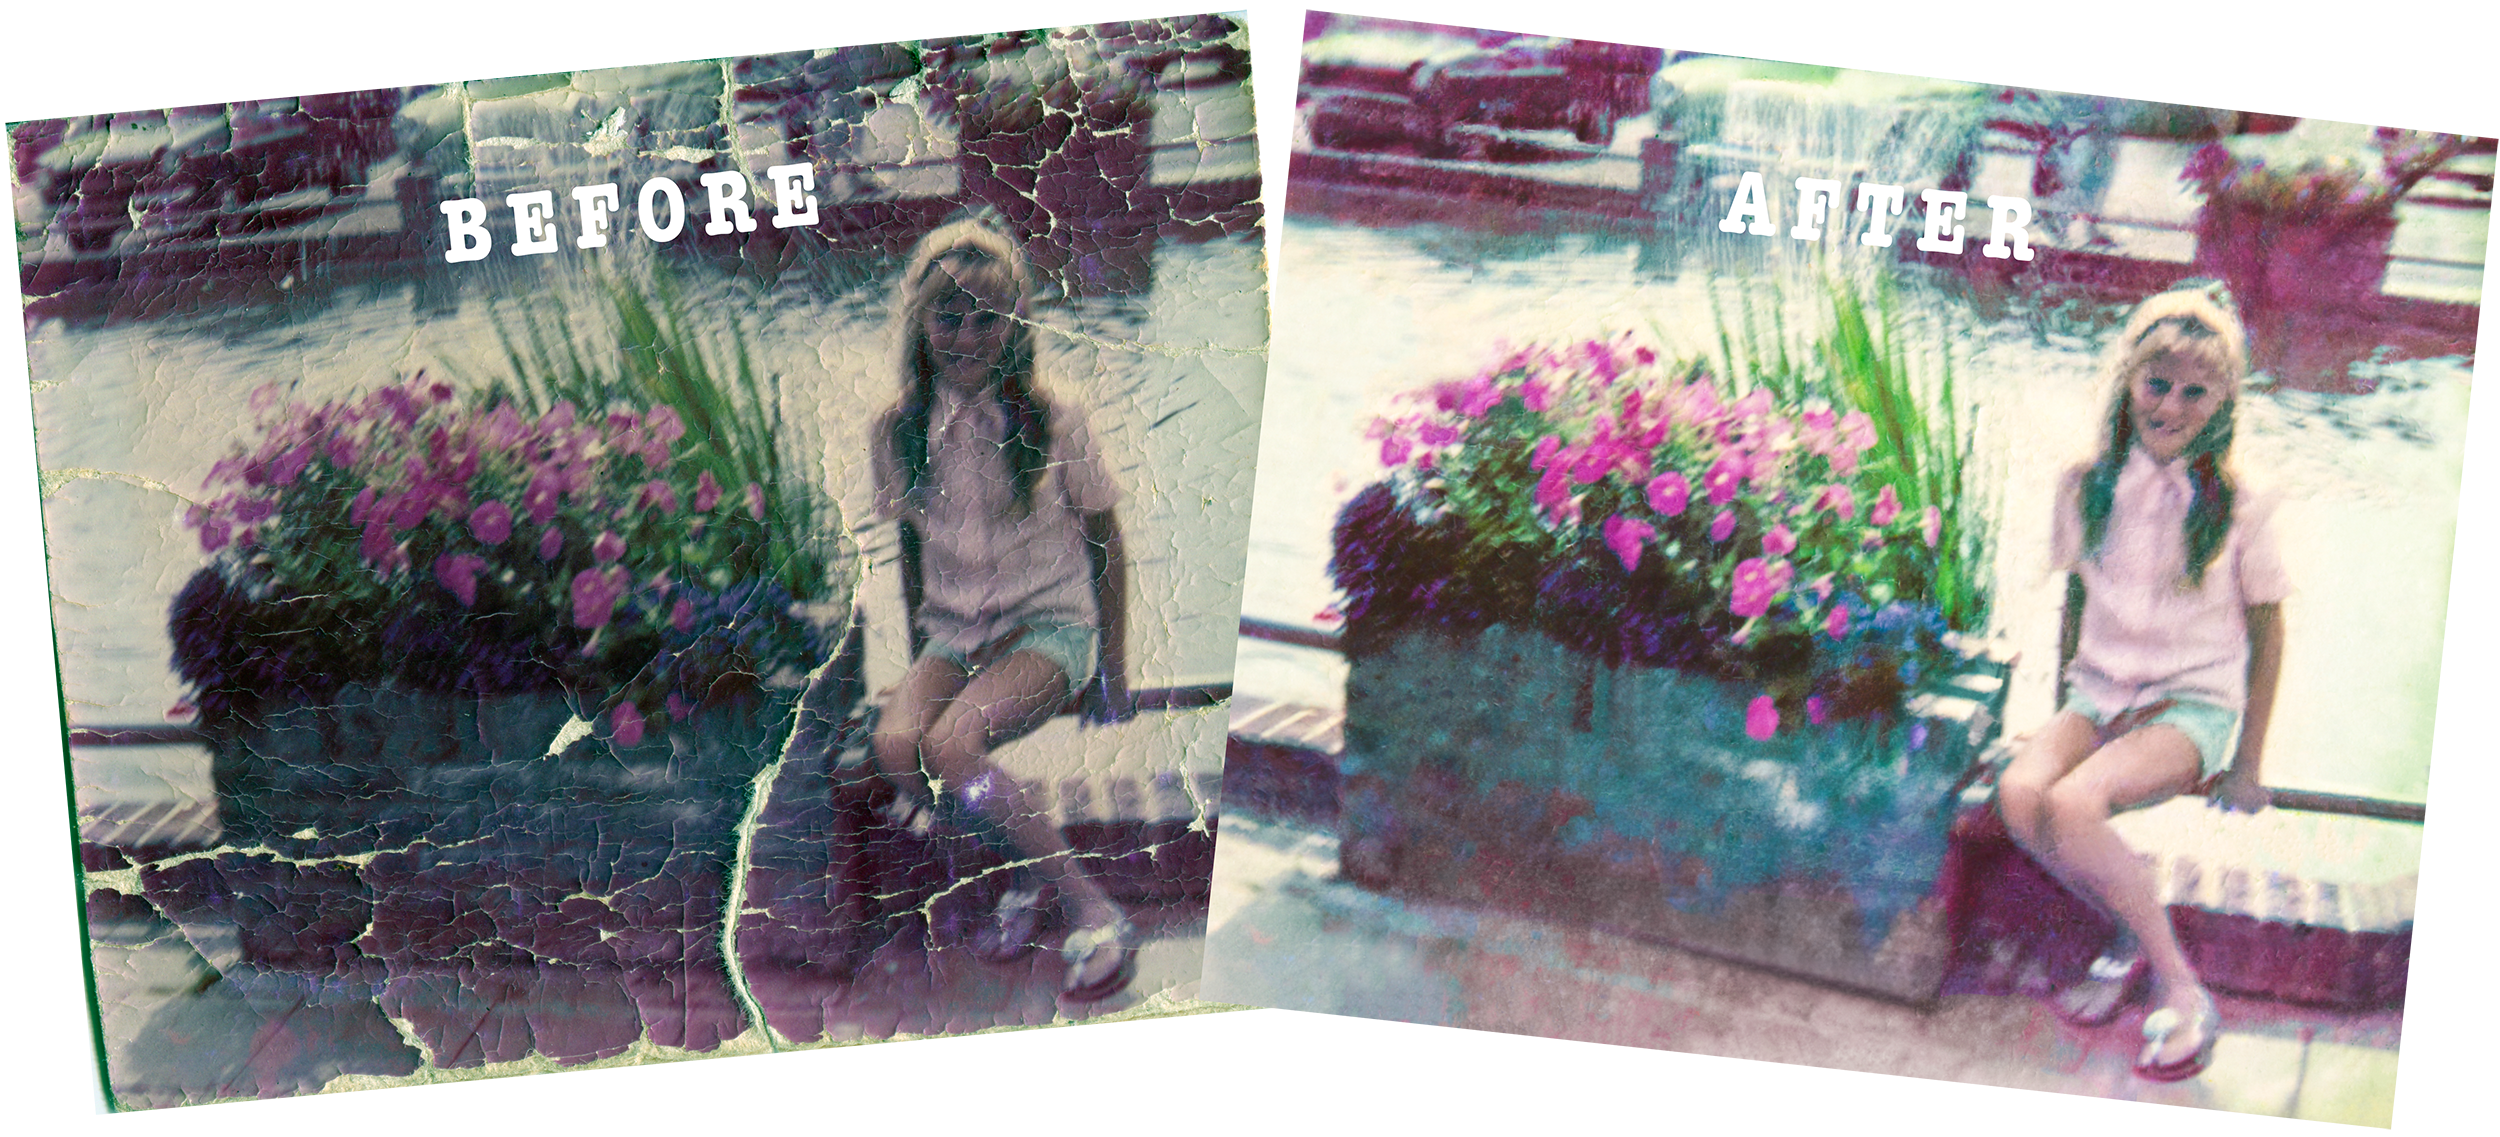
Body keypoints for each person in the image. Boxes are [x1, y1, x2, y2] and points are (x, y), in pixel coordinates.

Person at [1993, 287, 2288, 1083]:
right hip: (2099, 691)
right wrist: (2062, 713)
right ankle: (2124, 925)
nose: (2172, 405)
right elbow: (2077, 601)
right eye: (2157, 383)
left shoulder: (2242, 503)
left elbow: (2268, 634)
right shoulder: (2084, 483)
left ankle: (2182, 985)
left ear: (2225, 399)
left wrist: (2248, 762)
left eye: (2197, 391)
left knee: (2072, 804)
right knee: (2022, 792)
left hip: (2190, 703)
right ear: (2128, 379)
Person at [866, 218, 1137, 1004]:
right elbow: (911, 553)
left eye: (989, 318)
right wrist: (923, 654)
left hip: (1046, 629)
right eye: (948, 316)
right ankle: (1018, 872)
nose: (967, 336)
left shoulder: (1055, 420)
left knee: (953, 744)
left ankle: (1093, 907)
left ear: (1015, 326)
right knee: (893, 744)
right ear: (920, 322)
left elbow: (1107, 543)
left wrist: (1114, 665)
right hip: (956, 634)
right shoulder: (896, 431)